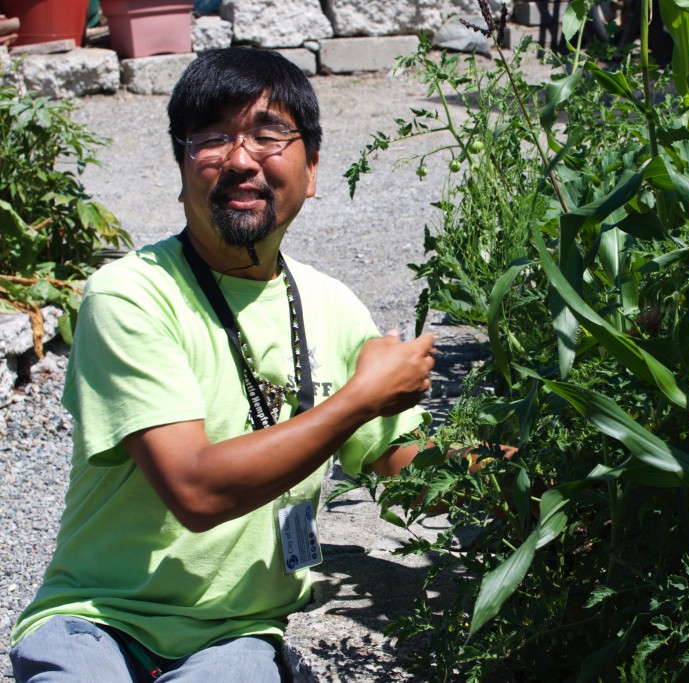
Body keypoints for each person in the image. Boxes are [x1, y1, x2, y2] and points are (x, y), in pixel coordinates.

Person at [9, 47, 436, 681]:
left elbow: (411, 469)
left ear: (312, 168)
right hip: (99, 620)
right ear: (181, 169)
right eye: (211, 139)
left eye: (269, 136)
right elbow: (195, 491)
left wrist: (542, 463)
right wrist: (359, 399)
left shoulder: (331, 305)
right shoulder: (130, 294)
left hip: (236, 634)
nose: (239, 160)